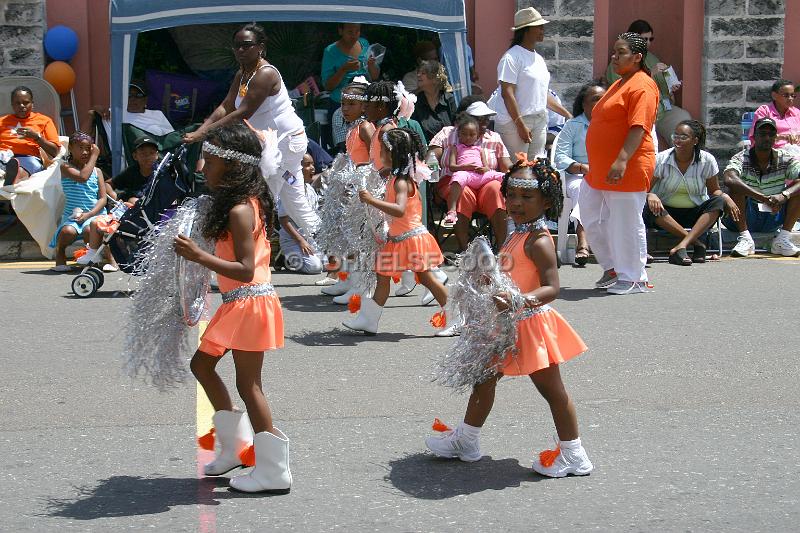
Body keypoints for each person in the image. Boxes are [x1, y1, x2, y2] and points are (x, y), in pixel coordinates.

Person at [425, 157, 593, 478]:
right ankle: (467, 440)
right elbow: (511, 271)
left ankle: (574, 454)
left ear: (547, 200)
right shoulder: (517, 233)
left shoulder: (540, 240)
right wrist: (489, 278)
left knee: (553, 392)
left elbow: (552, 287)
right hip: (506, 324)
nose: (516, 203)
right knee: (484, 379)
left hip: (530, 325)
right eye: (512, 195)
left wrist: (519, 299)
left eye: (526, 197)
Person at [174, 122, 290, 494]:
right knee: (202, 365)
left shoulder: (241, 209)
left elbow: (243, 269)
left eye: (208, 161)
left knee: (249, 384)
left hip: (250, 301)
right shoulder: (236, 204)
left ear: (232, 165)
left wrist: (198, 256)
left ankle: (273, 470)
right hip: (240, 302)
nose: (202, 168)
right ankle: (235, 447)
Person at [183, 23, 319, 236]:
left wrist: (203, 134)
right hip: (272, 144)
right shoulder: (242, 74)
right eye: (236, 46)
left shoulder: (265, 74)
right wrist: (201, 129)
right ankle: (331, 243)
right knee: (294, 202)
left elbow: (242, 112)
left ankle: (256, 247)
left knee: (261, 193)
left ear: (261, 47)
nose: (240, 50)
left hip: (285, 143)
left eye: (246, 46)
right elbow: (226, 106)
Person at [342, 127, 447, 335]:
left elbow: (399, 210)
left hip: (412, 239)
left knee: (426, 279)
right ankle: (368, 320)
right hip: (397, 239)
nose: (380, 155)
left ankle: (454, 314)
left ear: (394, 155)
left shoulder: (401, 182)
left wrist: (372, 201)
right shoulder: (395, 178)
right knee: (382, 277)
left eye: (384, 151)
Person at [582, 33, 659, 294]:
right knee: (590, 215)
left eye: (621, 53)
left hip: (627, 165)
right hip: (601, 169)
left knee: (626, 222)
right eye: (614, 52)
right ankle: (614, 267)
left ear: (637, 57)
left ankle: (634, 277)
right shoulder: (620, 83)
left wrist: (622, 160)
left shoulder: (642, 86)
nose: (614, 57)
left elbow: (638, 127)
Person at [644, 120, 737, 265]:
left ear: (695, 140)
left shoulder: (707, 160)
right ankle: (697, 244)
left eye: (683, 136)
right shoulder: (662, 159)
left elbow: (714, 191)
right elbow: (644, 189)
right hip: (665, 214)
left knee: (718, 202)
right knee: (647, 205)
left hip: (695, 214)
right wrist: (651, 194)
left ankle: (682, 245)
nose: (677, 139)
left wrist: (725, 197)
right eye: (676, 135)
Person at [487, 7, 571, 160]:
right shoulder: (511, 58)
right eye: (539, 27)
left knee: (536, 168)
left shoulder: (538, 58)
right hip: (514, 123)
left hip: (539, 120)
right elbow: (507, 94)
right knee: (517, 171)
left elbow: (541, 95)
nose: (542, 30)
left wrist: (567, 115)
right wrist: (520, 124)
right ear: (526, 30)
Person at [430, 98, 512, 253]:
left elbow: (507, 166)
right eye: (479, 119)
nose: (484, 123)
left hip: (484, 181)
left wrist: (520, 169)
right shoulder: (448, 133)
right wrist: (429, 162)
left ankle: (503, 249)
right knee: (463, 190)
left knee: (496, 188)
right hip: (454, 180)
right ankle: (465, 250)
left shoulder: (494, 137)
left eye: (486, 119)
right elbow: (432, 157)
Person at [605, 20, 690, 148]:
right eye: (644, 39)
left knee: (684, 123)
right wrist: (651, 73)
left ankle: (683, 161)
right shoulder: (618, 62)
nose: (648, 43)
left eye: (651, 39)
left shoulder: (651, 57)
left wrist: (671, 87)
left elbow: (662, 87)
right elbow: (622, 87)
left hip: (662, 109)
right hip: (637, 112)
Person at [722, 117, 800, 257]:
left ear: (775, 138)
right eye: (762, 134)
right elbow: (729, 178)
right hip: (744, 216)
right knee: (736, 187)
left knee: (796, 191)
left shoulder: (785, 158)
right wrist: (762, 198)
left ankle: (782, 240)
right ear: (754, 136)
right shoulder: (741, 158)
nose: (767, 138)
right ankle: (745, 238)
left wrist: (784, 195)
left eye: (771, 135)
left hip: (773, 214)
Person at [553, 81, 607, 266]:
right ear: (584, 104)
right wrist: (582, 167)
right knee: (582, 188)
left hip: (606, 176)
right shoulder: (573, 126)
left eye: (604, 99)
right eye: (595, 100)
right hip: (577, 176)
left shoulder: (612, 125)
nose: (601, 103)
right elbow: (560, 158)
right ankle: (583, 241)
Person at [49, 132, 107, 272]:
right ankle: (60, 253)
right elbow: (82, 177)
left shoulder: (97, 171)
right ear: (71, 149)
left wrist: (89, 214)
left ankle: (92, 259)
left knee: (90, 230)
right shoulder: (65, 167)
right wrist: (95, 156)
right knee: (67, 231)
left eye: (88, 148)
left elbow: (103, 198)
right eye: (80, 148)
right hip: (71, 216)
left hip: (93, 215)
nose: (85, 152)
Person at [443, 114, 505, 226]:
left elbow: (486, 167)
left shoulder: (480, 149)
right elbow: (452, 166)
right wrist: (466, 167)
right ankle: (451, 211)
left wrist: (484, 169)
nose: (468, 137)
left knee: (502, 176)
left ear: (477, 136)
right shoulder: (455, 148)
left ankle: (508, 207)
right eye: (464, 134)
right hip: (466, 175)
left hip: (480, 176)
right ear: (459, 135)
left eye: (472, 135)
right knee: (457, 178)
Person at [1, 86, 61, 186]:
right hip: (3, 155)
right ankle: (10, 181)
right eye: (17, 103)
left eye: (25, 102)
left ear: (32, 104)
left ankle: (12, 181)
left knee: (20, 170)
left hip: (28, 158)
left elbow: (55, 151)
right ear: (12, 105)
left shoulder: (44, 120)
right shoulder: (2, 121)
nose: (21, 106)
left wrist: (36, 137)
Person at [321, 23, 380, 121]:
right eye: (350, 32)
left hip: (364, 104)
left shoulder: (364, 43)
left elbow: (374, 76)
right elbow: (328, 86)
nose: (354, 35)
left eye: (357, 31)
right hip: (341, 106)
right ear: (340, 31)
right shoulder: (330, 51)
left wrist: (371, 65)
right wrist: (343, 69)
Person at [278, 152, 324, 274]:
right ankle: (286, 259)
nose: (313, 168)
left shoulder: (309, 189)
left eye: (313, 164)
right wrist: (301, 241)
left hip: (309, 238)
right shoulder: (289, 189)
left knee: (331, 264)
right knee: (315, 267)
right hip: (294, 240)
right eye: (307, 165)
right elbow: (284, 219)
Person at [747, 79, 800, 155]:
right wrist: (784, 137)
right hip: (773, 154)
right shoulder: (764, 111)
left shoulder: (796, 113)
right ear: (774, 95)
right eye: (786, 95)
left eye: (792, 95)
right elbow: (759, 136)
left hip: (796, 151)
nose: (790, 98)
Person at [411, 60, 457, 144]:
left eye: (423, 73)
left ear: (435, 78)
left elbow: (457, 127)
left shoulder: (449, 100)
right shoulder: (415, 102)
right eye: (418, 72)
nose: (418, 75)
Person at [108, 135, 159, 202]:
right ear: (135, 156)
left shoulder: (162, 172)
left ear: (157, 155)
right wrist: (113, 195)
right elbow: (108, 184)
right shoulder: (131, 172)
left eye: (152, 153)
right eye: (143, 153)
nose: (148, 157)